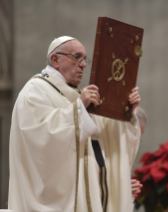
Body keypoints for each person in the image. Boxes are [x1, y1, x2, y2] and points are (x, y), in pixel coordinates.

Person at [8, 36, 142, 212]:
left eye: (84, 59)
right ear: (55, 60)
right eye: (77, 57)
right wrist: (79, 108)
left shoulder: (79, 95)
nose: (84, 65)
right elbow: (40, 139)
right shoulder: (35, 91)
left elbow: (105, 136)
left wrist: (127, 112)